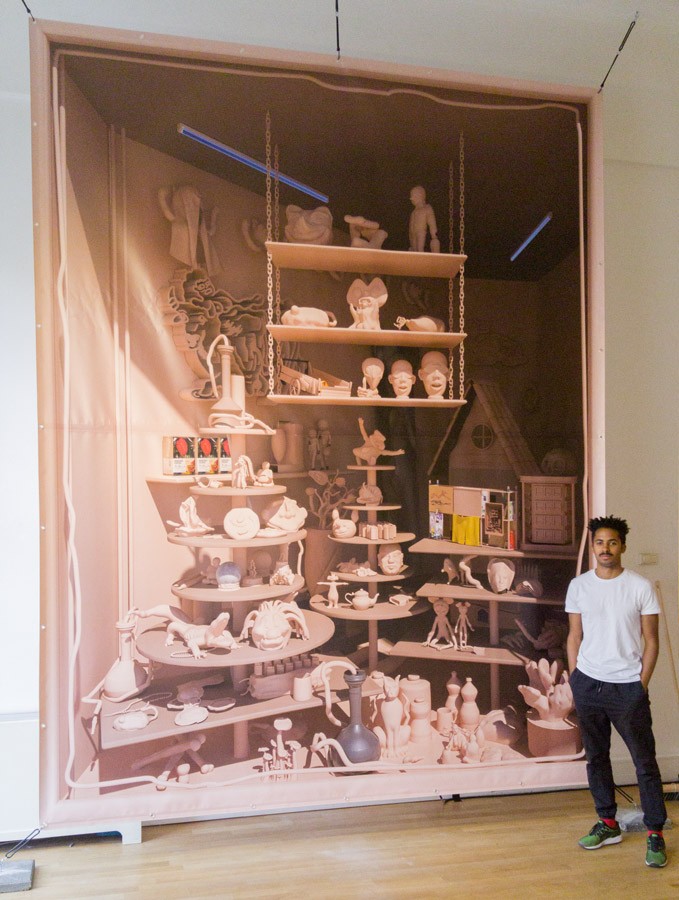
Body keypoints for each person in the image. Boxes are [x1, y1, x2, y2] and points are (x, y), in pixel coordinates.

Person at [566, 515, 667, 868]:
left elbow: (651, 641)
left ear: (622, 546)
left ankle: (655, 832)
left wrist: (641, 684)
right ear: (593, 547)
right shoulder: (579, 586)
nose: (605, 548)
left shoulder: (640, 586)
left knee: (644, 762)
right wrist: (575, 677)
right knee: (596, 758)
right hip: (588, 684)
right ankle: (607, 823)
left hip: (627, 688)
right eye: (599, 542)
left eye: (612, 542)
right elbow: (574, 635)